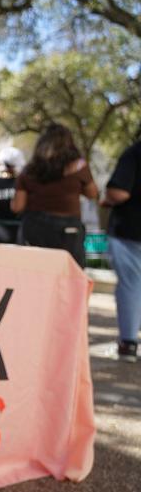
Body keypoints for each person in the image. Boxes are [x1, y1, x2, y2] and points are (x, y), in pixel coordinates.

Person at [12, 123, 98, 267]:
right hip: (68, 230)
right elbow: (92, 193)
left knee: (33, 273)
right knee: (69, 274)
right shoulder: (79, 167)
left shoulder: (28, 171)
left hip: (34, 227)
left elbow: (17, 207)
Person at [100, 139, 141, 362]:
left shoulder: (133, 153)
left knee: (131, 286)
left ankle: (128, 342)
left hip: (131, 231)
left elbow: (119, 192)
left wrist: (107, 199)